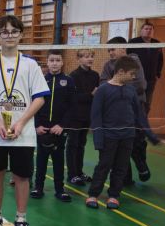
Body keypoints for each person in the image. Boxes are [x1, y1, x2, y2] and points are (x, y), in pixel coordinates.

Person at [0, 15, 49, 226]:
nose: (9, 36)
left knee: (21, 176)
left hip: (22, 134)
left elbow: (39, 98)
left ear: (21, 34)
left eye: (14, 31)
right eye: (4, 32)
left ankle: (21, 220)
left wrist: (21, 122)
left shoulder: (30, 64)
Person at [86, 56, 159, 210]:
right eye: (132, 74)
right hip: (108, 137)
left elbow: (139, 115)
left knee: (121, 167)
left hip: (127, 137)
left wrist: (151, 135)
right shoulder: (103, 90)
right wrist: (98, 140)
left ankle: (114, 195)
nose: (134, 77)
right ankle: (93, 194)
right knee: (104, 165)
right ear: (120, 72)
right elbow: (96, 116)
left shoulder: (131, 90)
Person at [100, 37, 150, 183]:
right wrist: (119, 87)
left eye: (113, 49)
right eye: (109, 50)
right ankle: (124, 176)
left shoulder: (134, 61)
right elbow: (103, 83)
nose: (110, 53)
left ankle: (141, 165)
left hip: (135, 107)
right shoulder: (108, 65)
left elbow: (140, 85)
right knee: (119, 142)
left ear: (123, 48)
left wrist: (115, 86)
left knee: (137, 140)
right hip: (115, 109)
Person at [31, 50, 75, 202]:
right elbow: (34, 104)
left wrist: (62, 125)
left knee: (58, 160)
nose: (55, 63)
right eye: (52, 60)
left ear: (62, 62)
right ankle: (38, 187)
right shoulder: (41, 80)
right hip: (42, 128)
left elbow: (72, 106)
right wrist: (37, 125)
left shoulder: (68, 81)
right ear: (47, 62)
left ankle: (59, 190)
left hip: (59, 129)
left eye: (57, 60)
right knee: (41, 159)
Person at [67, 49, 99, 186]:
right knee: (73, 145)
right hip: (75, 116)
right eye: (86, 57)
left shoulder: (95, 75)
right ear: (79, 59)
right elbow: (73, 98)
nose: (89, 59)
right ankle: (72, 175)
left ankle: (79, 172)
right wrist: (90, 95)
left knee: (81, 145)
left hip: (87, 115)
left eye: (91, 56)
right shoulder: (73, 76)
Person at [128, 22, 163, 114]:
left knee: (147, 103)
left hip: (151, 79)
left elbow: (160, 60)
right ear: (141, 31)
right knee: (135, 101)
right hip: (135, 79)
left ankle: (143, 120)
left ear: (153, 31)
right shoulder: (133, 42)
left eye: (150, 29)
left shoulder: (157, 43)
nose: (148, 31)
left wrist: (157, 73)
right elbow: (127, 59)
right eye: (146, 29)